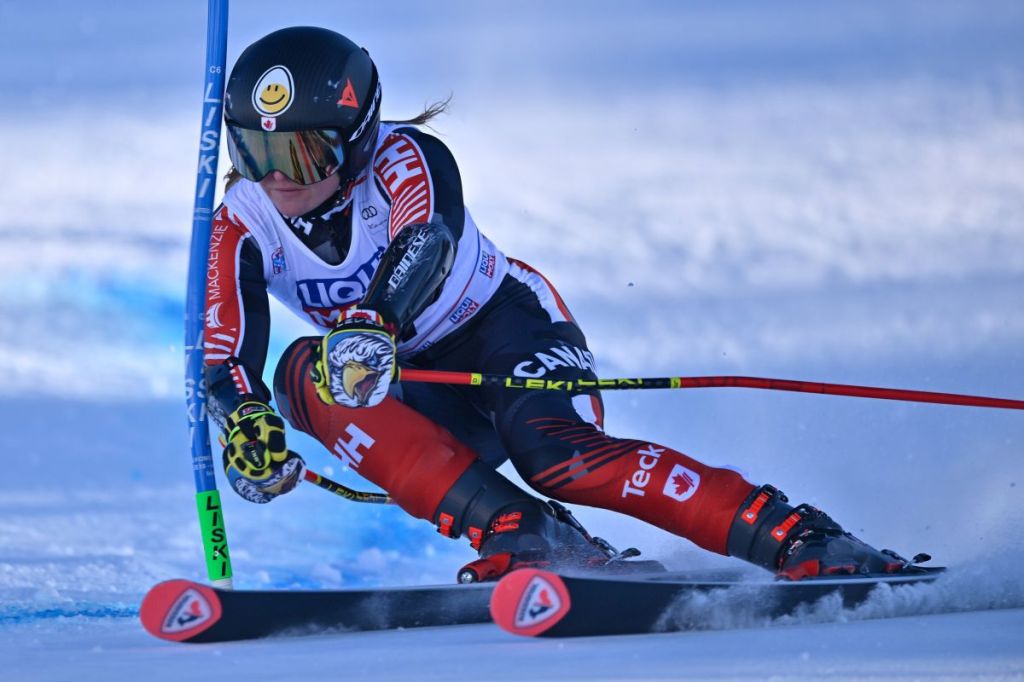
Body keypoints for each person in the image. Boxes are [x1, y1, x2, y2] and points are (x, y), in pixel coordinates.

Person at [206, 26, 913, 583]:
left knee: (553, 455)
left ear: (358, 140)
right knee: (303, 373)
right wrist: (243, 419)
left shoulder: (406, 159)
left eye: (302, 155)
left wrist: (374, 319)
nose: (277, 179)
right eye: (255, 152)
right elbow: (222, 351)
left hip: (507, 331)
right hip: (411, 383)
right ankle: (525, 531)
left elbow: (427, 239)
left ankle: (791, 534)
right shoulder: (240, 223)